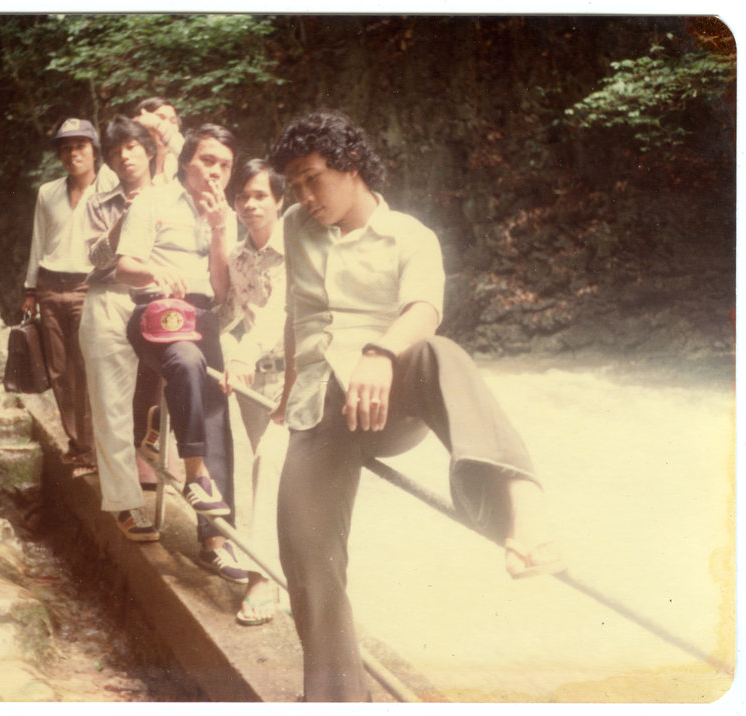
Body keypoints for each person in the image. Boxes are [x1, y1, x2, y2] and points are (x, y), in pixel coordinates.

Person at [268, 111, 566, 701]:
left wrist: (380, 352)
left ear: (351, 167)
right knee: (305, 559)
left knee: (438, 352)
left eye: (312, 179)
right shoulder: (295, 227)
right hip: (319, 409)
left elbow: (425, 308)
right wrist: (285, 391)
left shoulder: (411, 236)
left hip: (387, 395)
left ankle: (522, 505)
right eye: (293, 185)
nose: (303, 196)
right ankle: (338, 702)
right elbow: (297, 315)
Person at [115, 123, 247, 582]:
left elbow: (221, 288)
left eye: (225, 166)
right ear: (187, 160)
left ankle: (215, 541)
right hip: (157, 312)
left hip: (202, 314)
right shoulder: (152, 200)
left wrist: (217, 230)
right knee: (187, 361)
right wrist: (154, 271)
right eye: (208, 161)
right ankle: (194, 474)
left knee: (216, 415)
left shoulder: (224, 214)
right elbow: (124, 267)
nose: (216, 173)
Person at [78, 115, 160, 541]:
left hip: (161, 300)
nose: (125, 156)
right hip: (109, 300)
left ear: (149, 150)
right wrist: (120, 223)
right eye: (115, 151)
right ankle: (127, 503)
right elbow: (93, 259)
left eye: (132, 146)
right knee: (111, 405)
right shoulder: (98, 200)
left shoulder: (171, 197)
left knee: (180, 385)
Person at [217, 159, 289, 626]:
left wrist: (242, 354)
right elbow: (232, 314)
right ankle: (282, 570)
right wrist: (222, 353)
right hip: (250, 379)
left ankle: (263, 577)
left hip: (296, 374)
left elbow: (280, 310)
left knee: (273, 461)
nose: (250, 204)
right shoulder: (238, 257)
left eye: (261, 195)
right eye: (243, 196)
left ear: (281, 199)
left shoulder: (300, 247)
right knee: (263, 471)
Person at [22, 118, 99, 469]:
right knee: (59, 369)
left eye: (80, 146)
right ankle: (78, 444)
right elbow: (38, 241)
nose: (72, 154)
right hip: (51, 286)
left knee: (89, 366)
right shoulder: (47, 193)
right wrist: (30, 290)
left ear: (93, 150)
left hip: (90, 286)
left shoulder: (111, 188)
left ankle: (96, 445)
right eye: (66, 148)